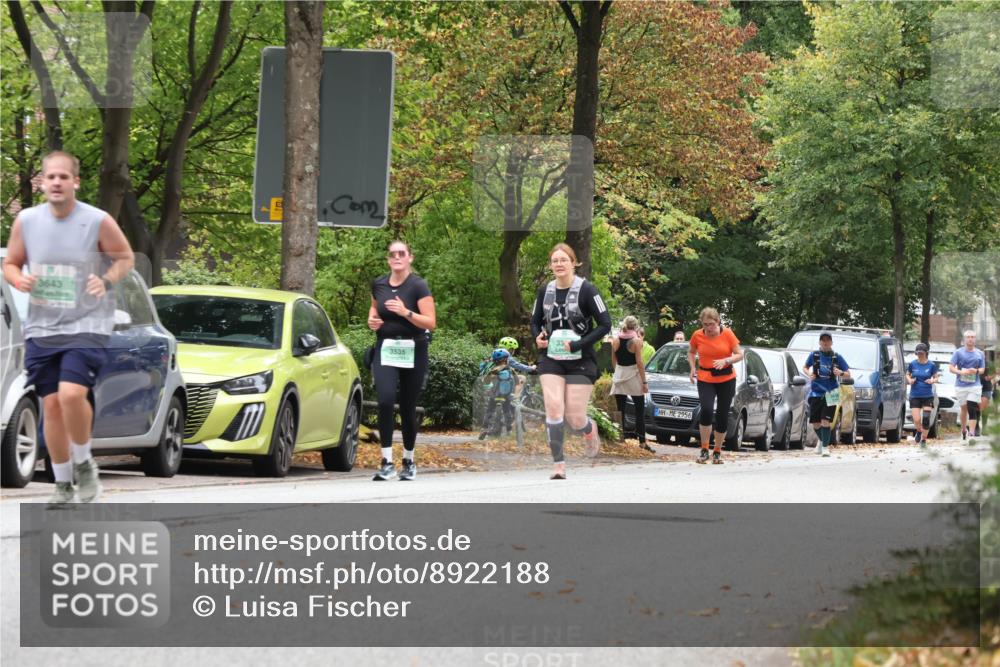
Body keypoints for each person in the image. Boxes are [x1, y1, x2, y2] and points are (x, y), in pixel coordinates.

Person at [2, 151, 134, 506]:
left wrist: (105, 280)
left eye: (64, 177)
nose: (57, 182)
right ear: (42, 183)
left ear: (76, 182)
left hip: (87, 323)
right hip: (43, 327)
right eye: (51, 177)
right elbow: (11, 263)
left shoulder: (96, 220)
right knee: (52, 406)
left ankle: (84, 463)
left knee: (72, 395)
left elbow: (125, 258)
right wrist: (19, 280)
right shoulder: (27, 221)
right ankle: (62, 485)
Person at [530, 243, 612, 480]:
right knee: (554, 407)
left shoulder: (588, 290)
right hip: (552, 359)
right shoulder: (545, 291)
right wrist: (538, 337)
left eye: (563, 260)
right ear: (551, 265)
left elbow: (605, 324)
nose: (559, 264)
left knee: (574, 417)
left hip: (581, 359)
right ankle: (559, 464)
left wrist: (578, 344)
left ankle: (588, 428)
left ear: (574, 263)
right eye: (555, 261)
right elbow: (535, 321)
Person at [367, 241, 436, 481]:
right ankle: (386, 462)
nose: (397, 257)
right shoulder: (379, 284)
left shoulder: (418, 285)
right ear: (388, 259)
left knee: (407, 407)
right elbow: (374, 311)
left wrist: (405, 312)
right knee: (385, 401)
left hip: (413, 348)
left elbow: (430, 322)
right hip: (386, 347)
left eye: (401, 253)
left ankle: (408, 460)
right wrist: (373, 321)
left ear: (410, 258)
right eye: (392, 254)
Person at [687, 308, 744, 464]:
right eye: (705, 324)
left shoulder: (728, 334)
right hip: (705, 377)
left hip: (726, 378)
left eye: (711, 324)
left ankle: (717, 451)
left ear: (718, 321)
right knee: (706, 410)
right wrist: (692, 368)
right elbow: (691, 352)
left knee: (722, 414)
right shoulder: (697, 335)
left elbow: (740, 354)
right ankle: (704, 449)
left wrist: (726, 360)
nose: (708, 328)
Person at [802, 332, 851, 457]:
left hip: (831, 392)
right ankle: (822, 441)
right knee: (815, 423)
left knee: (825, 420)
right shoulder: (814, 355)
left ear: (831, 342)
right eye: (823, 340)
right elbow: (805, 367)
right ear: (819, 342)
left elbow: (848, 374)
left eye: (828, 340)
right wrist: (809, 374)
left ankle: (825, 447)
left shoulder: (837, 357)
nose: (825, 342)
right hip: (816, 392)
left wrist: (840, 373)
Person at [610, 316, 654, 452]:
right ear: (635, 327)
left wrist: (618, 373)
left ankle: (620, 440)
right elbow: (639, 363)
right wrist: (644, 382)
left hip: (620, 376)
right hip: (633, 376)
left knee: (620, 409)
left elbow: (613, 360)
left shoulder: (615, 340)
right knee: (639, 409)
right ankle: (642, 442)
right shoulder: (637, 341)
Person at [949, 330, 985, 442]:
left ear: (975, 339)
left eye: (972, 337)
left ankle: (972, 433)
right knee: (964, 409)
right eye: (968, 337)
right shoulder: (958, 352)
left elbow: (982, 369)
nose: (970, 339)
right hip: (961, 385)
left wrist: (976, 371)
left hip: (975, 385)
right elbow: (951, 368)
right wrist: (961, 372)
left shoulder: (980, 353)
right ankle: (964, 430)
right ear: (964, 339)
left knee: (972, 406)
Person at [478, 348, 520, 439]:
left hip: (495, 395)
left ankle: (484, 428)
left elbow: (486, 381)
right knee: (507, 411)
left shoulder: (494, 369)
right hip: (507, 395)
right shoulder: (510, 369)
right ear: (505, 359)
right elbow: (517, 382)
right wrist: (515, 394)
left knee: (489, 411)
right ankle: (509, 430)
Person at [906, 342, 939, 447]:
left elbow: (936, 377)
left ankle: (924, 440)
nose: (920, 355)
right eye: (918, 353)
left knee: (926, 419)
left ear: (926, 353)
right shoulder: (913, 364)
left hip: (927, 395)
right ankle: (919, 431)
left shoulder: (931, 365)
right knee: (916, 420)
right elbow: (907, 374)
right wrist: (910, 380)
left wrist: (932, 380)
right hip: (915, 395)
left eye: (922, 353)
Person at [976, 363, 994, 436]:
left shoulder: (988, 362)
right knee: (976, 407)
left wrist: (990, 376)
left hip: (985, 388)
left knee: (984, 408)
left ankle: (984, 427)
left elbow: (994, 372)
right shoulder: (973, 361)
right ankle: (976, 427)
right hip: (974, 387)